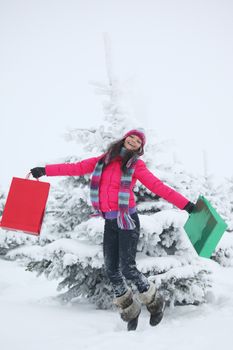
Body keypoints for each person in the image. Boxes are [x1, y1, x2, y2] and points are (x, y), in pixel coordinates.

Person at [31, 129, 195, 331]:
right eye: (131, 138)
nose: (133, 142)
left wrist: (185, 205)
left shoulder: (136, 165)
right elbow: (76, 167)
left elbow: (157, 186)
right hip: (110, 222)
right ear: (125, 139)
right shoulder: (104, 160)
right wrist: (45, 170)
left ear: (140, 149)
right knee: (111, 269)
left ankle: (154, 301)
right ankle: (130, 310)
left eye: (137, 142)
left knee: (127, 268)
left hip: (127, 220)